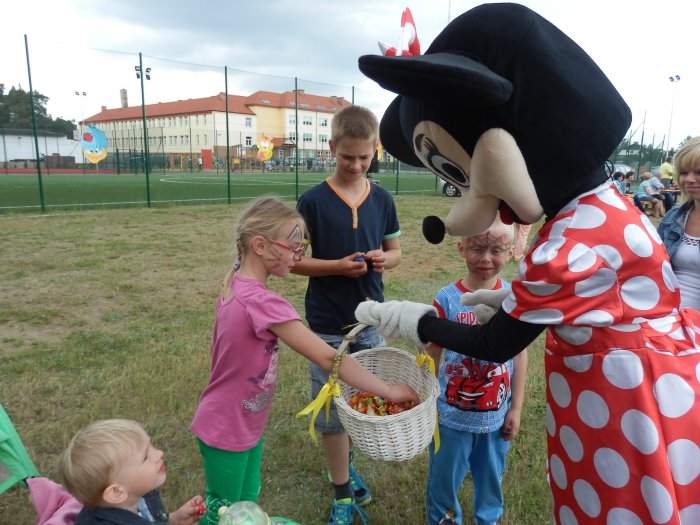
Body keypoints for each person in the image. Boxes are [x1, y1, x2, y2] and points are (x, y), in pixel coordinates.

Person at [190, 196, 415, 525]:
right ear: (260, 246)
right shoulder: (263, 303)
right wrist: (389, 391)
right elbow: (329, 357)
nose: (299, 255)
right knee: (221, 513)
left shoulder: (235, 281)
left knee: (245, 502)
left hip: (240, 419)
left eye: (302, 246)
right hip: (227, 425)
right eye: (294, 246)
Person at [292, 105, 402, 525]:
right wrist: (336, 267)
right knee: (332, 415)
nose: (356, 165)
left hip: (370, 322)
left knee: (360, 404)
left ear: (375, 151)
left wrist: (385, 260)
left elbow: (396, 252)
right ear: (331, 147)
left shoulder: (383, 199)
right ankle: (341, 492)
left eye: (364, 157)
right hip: (326, 327)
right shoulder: (312, 202)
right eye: (347, 157)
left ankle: (345, 466)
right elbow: (294, 262)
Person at [424, 219, 528, 525]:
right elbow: (432, 354)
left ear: (510, 252)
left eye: (496, 250)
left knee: (491, 477)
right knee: (444, 478)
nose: (486, 258)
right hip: (450, 418)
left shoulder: (512, 299)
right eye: (477, 248)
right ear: (461, 248)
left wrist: (516, 408)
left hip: (496, 418)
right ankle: (444, 519)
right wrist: (425, 400)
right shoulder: (446, 299)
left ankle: (488, 519)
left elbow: (520, 354)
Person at [58, 419, 206, 525]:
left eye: (152, 446)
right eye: (145, 457)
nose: (159, 453)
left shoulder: (136, 495)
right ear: (116, 492)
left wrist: (174, 520)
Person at [658, 137, 700, 309]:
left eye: (699, 172)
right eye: (683, 172)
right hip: (665, 314)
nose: (689, 179)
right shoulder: (673, 217)